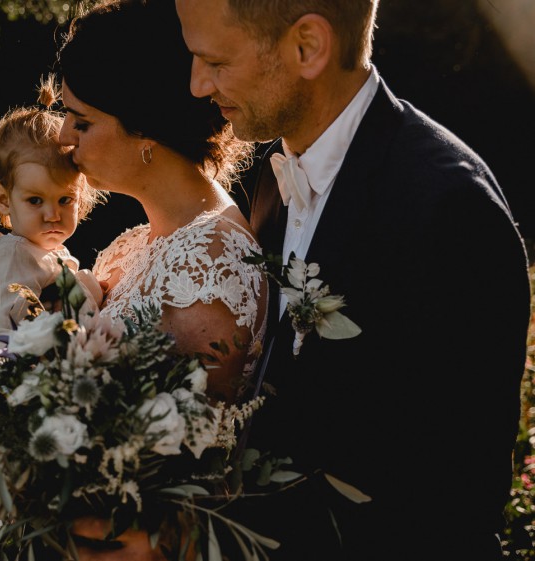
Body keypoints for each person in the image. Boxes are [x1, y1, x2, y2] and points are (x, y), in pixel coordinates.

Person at [174, 1, 533, 560]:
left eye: (215, 61)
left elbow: (454, 503)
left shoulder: (450, 212)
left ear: (308, 47)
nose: (198, 84)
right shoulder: (273, 179)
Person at [53, 0, 268, 556]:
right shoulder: (138, 243)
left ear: (145, 128)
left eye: (82, 120)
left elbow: (174, 484)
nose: (63, 139)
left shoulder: (210, 266)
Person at [0, 81, 106, 364]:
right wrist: (87, 290)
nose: (52, 215)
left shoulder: (44, 253)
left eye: (65, 200)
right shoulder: (14, 256)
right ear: (4, 199)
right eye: (35, 201)